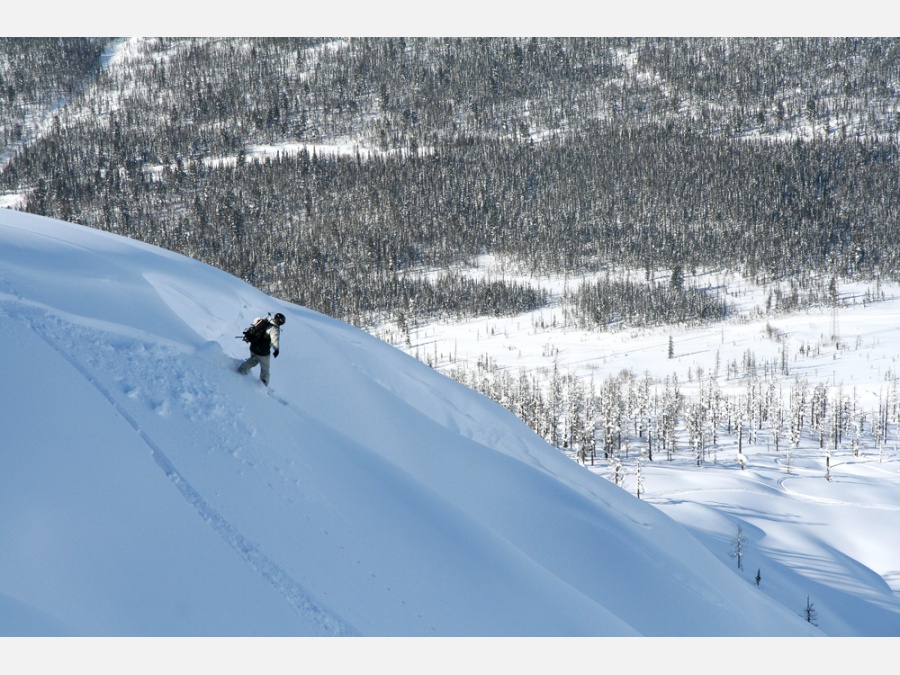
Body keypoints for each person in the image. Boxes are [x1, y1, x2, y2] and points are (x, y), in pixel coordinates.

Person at [237, 312, 285, 386]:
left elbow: (255, 323)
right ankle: (263, 383)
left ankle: (242, 369)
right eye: (281, 322)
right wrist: (276, 350)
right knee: (265, 368)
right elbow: (275, 340)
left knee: (253, 360)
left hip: (253, 347)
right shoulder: (274, 329)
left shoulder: (263, 322)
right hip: (263, 352)